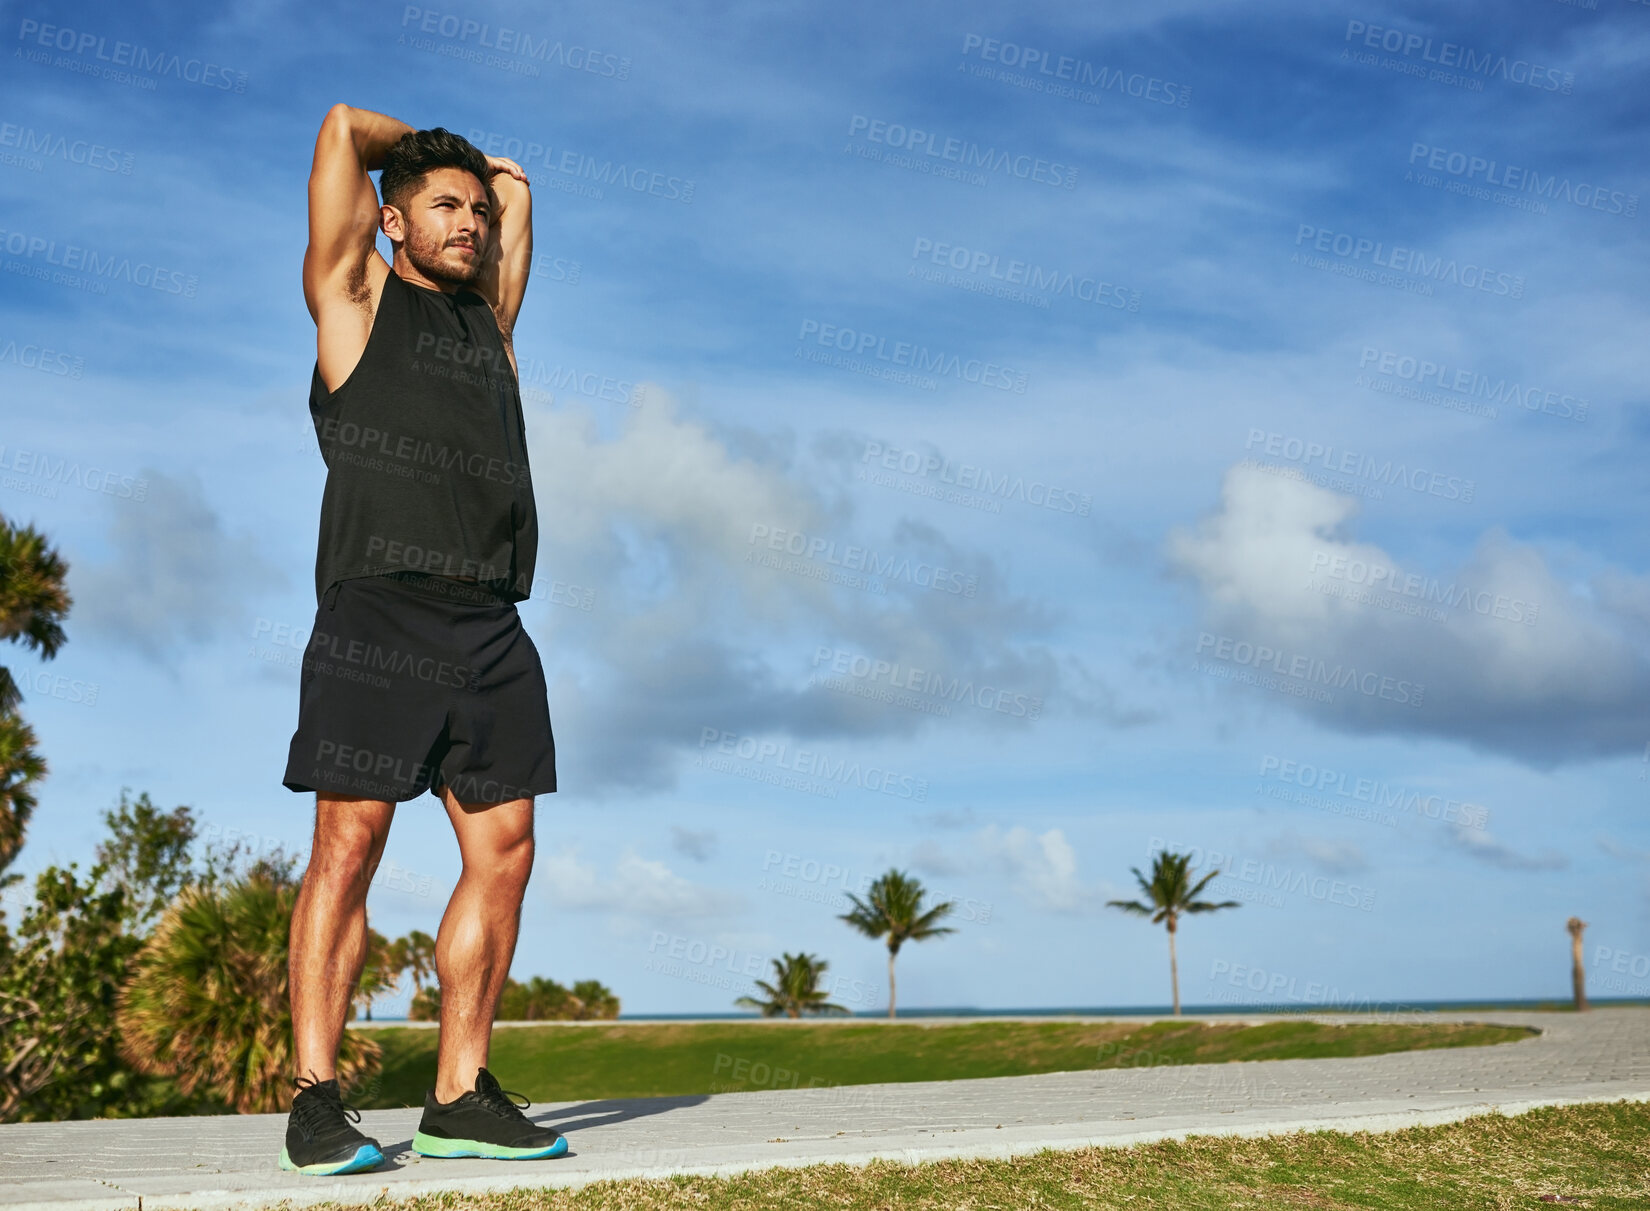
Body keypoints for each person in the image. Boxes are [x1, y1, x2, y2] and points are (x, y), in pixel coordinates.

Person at [278, 103, 563, 1176]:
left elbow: (520, 202)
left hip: (490, 621)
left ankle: (459, 1094)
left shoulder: (489, 329)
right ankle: (316, 1097)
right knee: (348, 847)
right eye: (445, 208)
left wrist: (497, 185)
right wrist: (432, 157)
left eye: (478, 214)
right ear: (389, 221)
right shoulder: (351, 299)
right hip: (377, 610)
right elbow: (345, 126)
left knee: (508, 851)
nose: (473, 223)